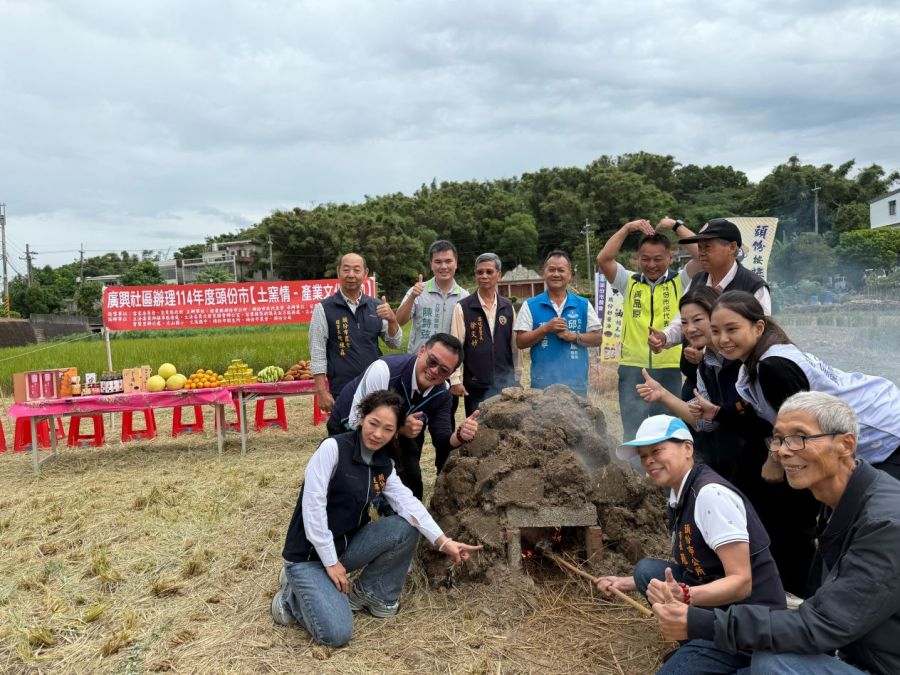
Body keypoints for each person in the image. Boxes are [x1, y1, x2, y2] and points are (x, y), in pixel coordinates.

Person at [653, 392, 900, 675]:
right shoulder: (835, 503)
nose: (782, 450)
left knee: (773, 663)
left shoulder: (885, 524)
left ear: (845, 444)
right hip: (852, 650)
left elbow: (822, 625)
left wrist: (703, 623)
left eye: (799, 437)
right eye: (779, 439)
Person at [640, 287, 818, 595]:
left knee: (790, 533)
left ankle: (793, 604)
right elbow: (705, 420)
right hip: (750, 456)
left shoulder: (757, 361)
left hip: (778, 454)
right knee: (761, 531)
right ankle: (762, 598)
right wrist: (666, 395)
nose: (692, 328)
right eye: (685, 322)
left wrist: (774, 456)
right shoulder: (705, 364)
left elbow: (789, 418)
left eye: (700, 320)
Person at [273, 390, 482, 647]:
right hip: (308, 556)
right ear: (362, 418)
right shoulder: (333, 449)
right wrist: (329, 561)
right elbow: (312, 508)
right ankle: (290, 598)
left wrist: (443, 541)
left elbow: (408, 504)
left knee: (404, 526)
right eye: (373, 423)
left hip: (345, 547)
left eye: (387, 428)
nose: (377, 434)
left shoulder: (384, 464)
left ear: (396, 432)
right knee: (336, 634)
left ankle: (372, 594)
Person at [595, 415, 785, 674]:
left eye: (657, 450)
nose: (649, 461)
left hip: (746, 623)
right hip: (718, 605)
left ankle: (736, 661)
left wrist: (685, 596)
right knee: (645, 572)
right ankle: (697, 645)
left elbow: (741, 583)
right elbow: (699, 565)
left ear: (687, 448)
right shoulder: (679, 493)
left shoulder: (710, 495)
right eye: (643, 455)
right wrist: (624, 582)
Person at [710, 290, 900, 479]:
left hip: (879, 428)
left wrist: (774, 458)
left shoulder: (773, 365)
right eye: (715, 331)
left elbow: (797, 425)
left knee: (877, 502)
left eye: (732, 329)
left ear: (758, 328)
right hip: (865, 419)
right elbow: (768, 417)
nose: (723, 339)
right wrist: (717, 413)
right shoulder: (761, 359)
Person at [326, 333, 480, 499]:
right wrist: (398, 427)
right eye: (432, 361)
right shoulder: (384, 370)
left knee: (412, 481)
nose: (434, 371)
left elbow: (442, 440)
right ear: (421, 351)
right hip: (350, 424)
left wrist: (461, 435)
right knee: (355, 483)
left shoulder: (442, 394)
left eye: (443, 370)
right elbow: (357, 422)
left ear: (450, 373)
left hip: (401, 433)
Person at [596, 217, 700, 439]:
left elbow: (701, 254)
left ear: (671, 257)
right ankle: (635, 474)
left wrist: (676, 225)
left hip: (669, 368)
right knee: (634, 431)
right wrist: (627, 228)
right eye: (645, 259)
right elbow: (604, 258)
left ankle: (666, 472)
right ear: (637, 259)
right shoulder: (628, 281)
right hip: (632, 368)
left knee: (668, 430)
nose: (651, 265)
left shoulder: (680, 281)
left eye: (658, 259)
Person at [649, 218, 771, 353]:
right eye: (700, 247)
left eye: (707, 247)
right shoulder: (697, 280)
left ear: (732, 247)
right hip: (696, 372)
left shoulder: (753, 286)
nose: (701, 253)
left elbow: (761, 335)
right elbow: (681, 321)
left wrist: (711, 353)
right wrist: (665, 337)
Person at [309, 253, 402, 412]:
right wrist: (321, 391)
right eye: (346, 270)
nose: (351, 275)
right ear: (338, 272)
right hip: (342, 387)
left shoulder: (376, 305)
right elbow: (317, 351)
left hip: (375, 385)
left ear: (365, 274)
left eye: (356, 270)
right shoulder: (324, 308)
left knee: (373, 431)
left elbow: (394, 343)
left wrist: (393, 320)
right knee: (344, 433)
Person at [514, 250, 602, 396]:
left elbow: (597, 339)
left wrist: (573, 336)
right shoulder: (530, 305)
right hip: (542, 385)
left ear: (569, 275)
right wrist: (545, 329)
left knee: (578, 419)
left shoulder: (583, 304)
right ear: (544, 273)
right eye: (551, 270)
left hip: (576, 384)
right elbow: (520, 342)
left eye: (561, 270)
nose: (556, 274)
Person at [449, 252, 520, 424]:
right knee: (478, 431)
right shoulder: (463, 307)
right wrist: (455, 379)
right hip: (475, 384)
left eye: (489, 272)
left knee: (506, 429)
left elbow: (514, 345)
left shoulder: (507, 307)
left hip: (505, 383)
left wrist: (518, 376)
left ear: (499, 275)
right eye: (479, 272)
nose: (484, 276)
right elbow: (456, 345)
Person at [395, 240, 469, 354]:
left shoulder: (464, 297)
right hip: (419, 361)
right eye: (438, 262)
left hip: (449, 363)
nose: (444, 266)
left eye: (448, 261)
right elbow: (398, 321)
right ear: (431, 265)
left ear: (456, 263)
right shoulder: (417, 291)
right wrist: (412, 297)